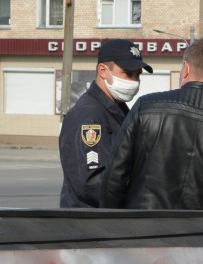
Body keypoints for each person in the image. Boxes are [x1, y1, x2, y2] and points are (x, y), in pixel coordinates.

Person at [101, 37, 203, 210]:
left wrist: (114, 223)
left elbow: (115, 178)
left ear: (186, 69)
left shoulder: (145, 107)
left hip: (143, 227)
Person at [58, 39, 152, 207]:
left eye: (138, 75)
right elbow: (91, 183)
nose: (135, 81)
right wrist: (141, 193)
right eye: (128, 74)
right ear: (103, 70)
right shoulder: (88, 116)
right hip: (90, 223)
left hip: (107, 220)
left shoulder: (117, 109)